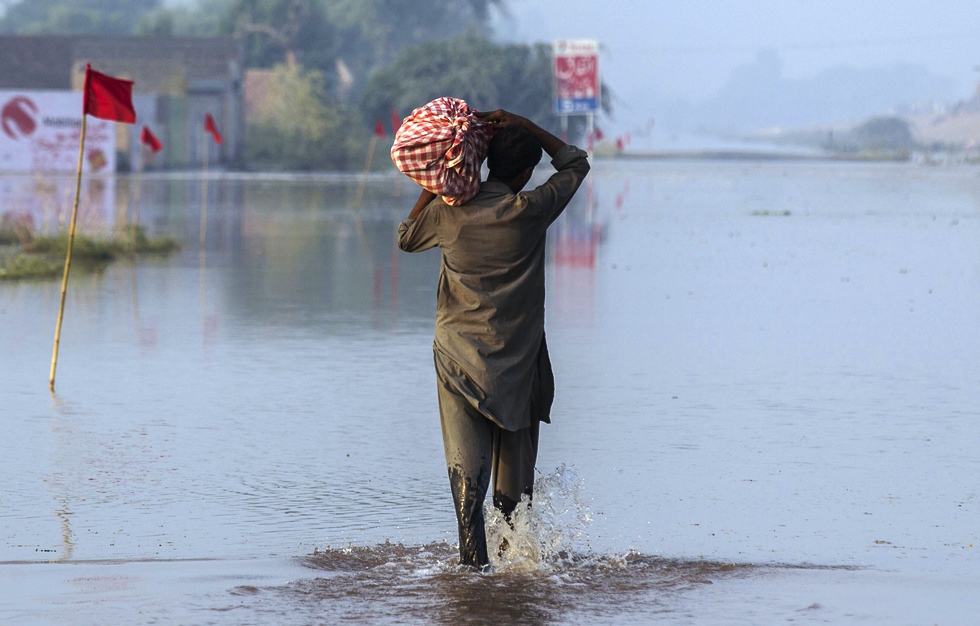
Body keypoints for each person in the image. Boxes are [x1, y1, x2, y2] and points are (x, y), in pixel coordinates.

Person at [397, 109, 590, 569]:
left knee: (467, 483)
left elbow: (405, 237)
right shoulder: (529, 210)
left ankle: (472, 571)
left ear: (483, 165)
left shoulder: (449, 215)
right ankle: (510, 577)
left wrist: (438, 183)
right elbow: (576, 163)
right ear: (525, 173)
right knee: (511, 497)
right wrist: (526, 123)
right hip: (517, 365)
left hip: (457, 359)